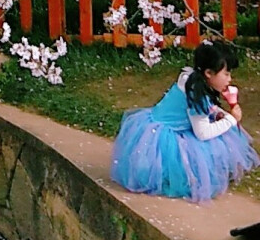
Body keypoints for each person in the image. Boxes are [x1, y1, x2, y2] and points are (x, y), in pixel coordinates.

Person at [111, 40, 259, 201]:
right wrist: (231, 119)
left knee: (219, 135)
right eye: (226, 74)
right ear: (208, 73)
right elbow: (203, 133)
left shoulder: (191, 78)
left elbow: (202, 109)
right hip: (163, 136)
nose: (230, 79)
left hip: (161, 123)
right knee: (207, 146)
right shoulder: (196, 93)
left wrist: (217, 112)